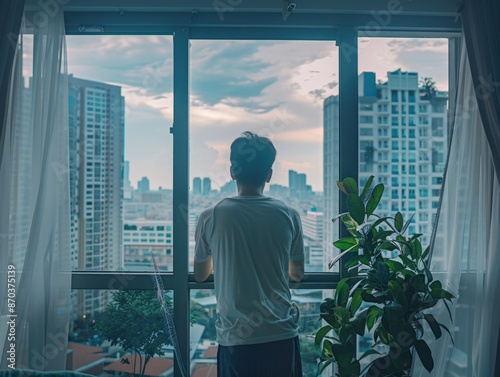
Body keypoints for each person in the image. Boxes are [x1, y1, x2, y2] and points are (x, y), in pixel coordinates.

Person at [194, 131, 305, 377]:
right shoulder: (289, 214)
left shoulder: (211, 216)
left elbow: (201, 275)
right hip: (281, 333)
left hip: (236, 339)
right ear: (269, 175)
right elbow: (296, 275)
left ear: (233, 172)